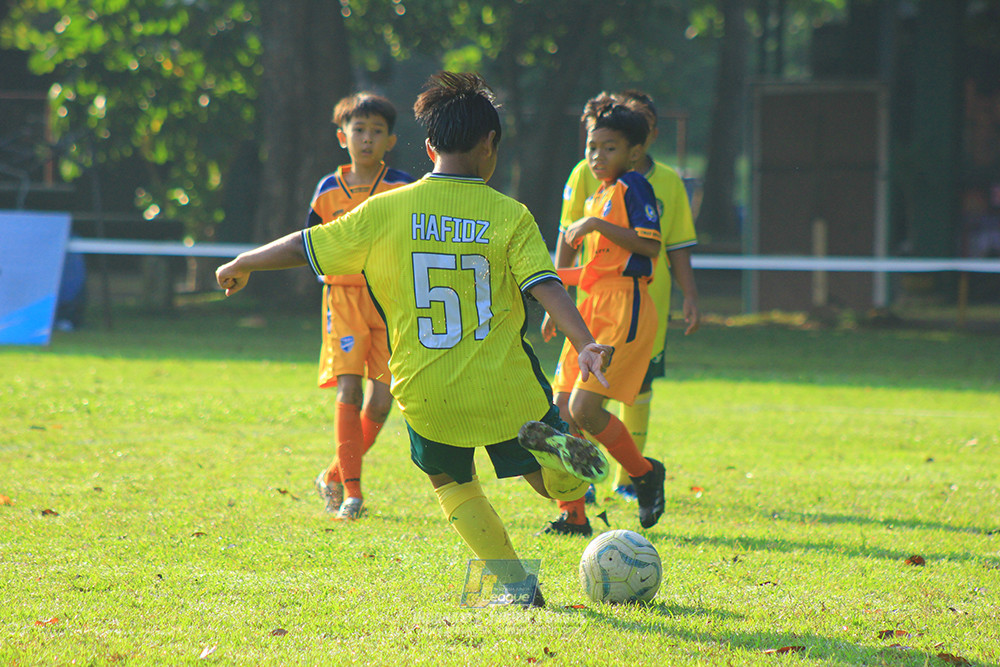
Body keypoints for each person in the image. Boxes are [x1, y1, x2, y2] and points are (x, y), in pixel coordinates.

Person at [216, 71, 614, 607]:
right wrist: (585, 341)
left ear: (428, 147)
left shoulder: (386, 210)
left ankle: (517, 588)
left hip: (428, 388)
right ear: (489, 144)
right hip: (505, 387)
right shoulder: (508, 215)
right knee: (549, 485)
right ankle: (563, 468)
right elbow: (545, 287)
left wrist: (244, 262)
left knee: (449, 480)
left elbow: (304, 246)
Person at [543, 91, 700, 537]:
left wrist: (593, 226)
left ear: (635, 151)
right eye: (591, 147)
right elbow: (594, 268)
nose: (596, 156)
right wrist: (554, 295)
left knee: (585, 409)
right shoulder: (599, 194)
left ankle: (644, 472)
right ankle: (573, 514)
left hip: (625, 309)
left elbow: (651, 247)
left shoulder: (636, 188)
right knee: (561, 414)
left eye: (608, 148)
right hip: (593, 307)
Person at [307, 92, 415, 521]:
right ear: (342, 136)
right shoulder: (328, 189)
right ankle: (352, 493)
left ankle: (334, 474)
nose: (367, 139)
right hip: (344, 300)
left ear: (390, 140)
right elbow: (311, 244)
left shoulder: (403, 187)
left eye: (377, 132)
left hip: (388, 302)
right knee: (349, 389)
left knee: (383, 402)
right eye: (359, 130)